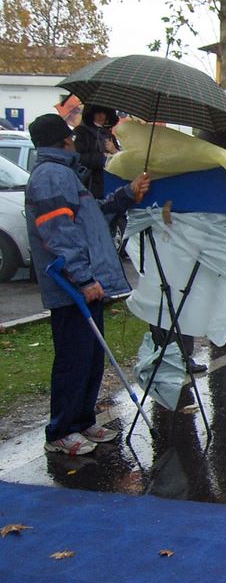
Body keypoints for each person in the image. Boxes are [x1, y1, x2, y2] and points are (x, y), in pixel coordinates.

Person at [24, 114, 149, 455]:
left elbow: (93, 215)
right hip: (72, 288)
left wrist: (126, 195)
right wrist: (82, 277)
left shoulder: (65, 173)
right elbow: (58, 233)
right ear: (65, 140)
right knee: (74, 359)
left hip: (84, 285)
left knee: (91, 357)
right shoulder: (51, 176)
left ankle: (81, 420)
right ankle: (61, 431)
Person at [73, 104, 119, 200]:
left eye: (104, 113)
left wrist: (114, 151)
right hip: (87, 184)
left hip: (108, 184)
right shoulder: (81, 132)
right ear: (91, 114)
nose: (101, 116)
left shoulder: (110, 135)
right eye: (97, 112)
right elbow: (76, 157)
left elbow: (119, 162)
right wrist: (102, 158)